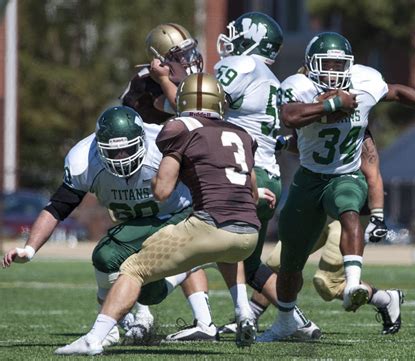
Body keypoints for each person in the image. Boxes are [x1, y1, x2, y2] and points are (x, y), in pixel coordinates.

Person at [259, 31, 415, 341]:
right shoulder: (298, 86)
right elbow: (289, 116)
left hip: (345, 174)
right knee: (288, 262)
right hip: (309, 178)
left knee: (349, 210)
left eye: (339, 65)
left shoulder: (364, 82)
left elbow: (397, 92)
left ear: (350, 65)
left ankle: (354, 283)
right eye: (326, 64)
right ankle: (286, 320)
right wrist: (330, 106)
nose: (333, 72)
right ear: (310, 65)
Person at [54, 73, 276, 355]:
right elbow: (252, 191)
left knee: (133, 269)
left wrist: (170, 170)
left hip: (210, 228)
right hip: (248, 234)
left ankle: (94, 338)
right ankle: (243, 310)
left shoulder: (179, 127)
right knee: (224, 247)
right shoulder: (240, 133)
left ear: (182, 100)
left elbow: (162, 191)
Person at [1, 106, 199, 346]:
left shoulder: (163, 143)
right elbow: (57, 207)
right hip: (137, 223)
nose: (122, 158)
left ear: (141, 141)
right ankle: (116, 324)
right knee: (138, 284)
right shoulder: (84, 159)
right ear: (100, 147)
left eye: (127, 149)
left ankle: (108, 328)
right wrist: (29, 249)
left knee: (112, 253)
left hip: (178, 216)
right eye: (113, 152)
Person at [214, 11, 320, 340]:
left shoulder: (242, 66)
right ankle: (298, 321)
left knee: (193, 238)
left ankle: (209, 320)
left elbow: (201, 105)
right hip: (268, 175)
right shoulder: (271, 80)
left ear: (252, 40)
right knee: (248, 262)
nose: (230, 42)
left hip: (243, 173)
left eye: (237, 34)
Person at [120, 23, 218, 342]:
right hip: (155, 168)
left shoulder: (188, 80)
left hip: (185, 166)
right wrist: (162, 79)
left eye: (190, 52)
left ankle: (207, 321)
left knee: (184, 244)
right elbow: (187, 108)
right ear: (159, 60)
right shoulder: (144, 85)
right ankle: (144, 314)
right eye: (180, 56)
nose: (190, 61)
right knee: (149, 243)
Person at [265, 129, 405, 335]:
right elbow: (307, 140)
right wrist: (284, 143)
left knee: (327, 284)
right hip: (318, 205)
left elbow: (373, 175)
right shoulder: (315, 110)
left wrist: (377, 216)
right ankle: (257, 315)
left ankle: (385, 299)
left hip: (347, 211)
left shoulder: (358, 128)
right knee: (278, 262)